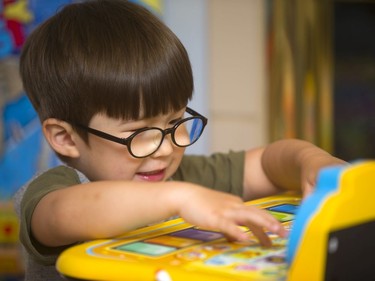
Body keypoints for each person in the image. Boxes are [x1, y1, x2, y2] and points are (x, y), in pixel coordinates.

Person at [14, 0, 346, 280]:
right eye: (139, 133)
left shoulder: (179, 175)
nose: (167, 147)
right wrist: (180, 199)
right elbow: (70, 213)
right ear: (65, 138)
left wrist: (311, 162)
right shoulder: (53, 192)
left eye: (176, 121)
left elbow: (266, 163)